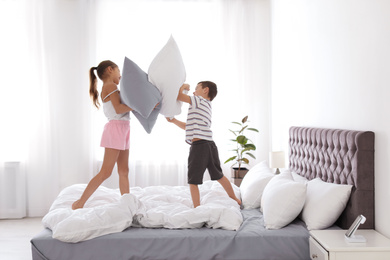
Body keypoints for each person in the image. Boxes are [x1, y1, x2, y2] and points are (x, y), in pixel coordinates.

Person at [166, 81, 241, 208]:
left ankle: (196, 207)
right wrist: (173, 121)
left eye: (196, 88)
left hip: (199, 146)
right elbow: (188, 126)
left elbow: (178, 96)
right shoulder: (207, 105)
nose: (193, 92)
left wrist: (184, 87)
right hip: (210, 145)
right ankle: (235, 199)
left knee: (193, 180)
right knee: (219, 175)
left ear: (205, 90)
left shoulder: (198, 100)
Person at [72, 60, 133, 210]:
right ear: (110, 70)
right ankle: (80, 203)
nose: (121, 75)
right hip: (116, 129)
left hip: (124, 128)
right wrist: (141, 107)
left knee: (124, 170)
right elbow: (119, 109)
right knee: (106, 172)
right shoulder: (110, 86)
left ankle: (127, 204)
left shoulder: (111, 87)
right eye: (119, 71)